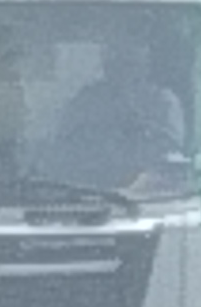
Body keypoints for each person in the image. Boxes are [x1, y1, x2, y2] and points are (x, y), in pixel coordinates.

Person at [39, 24, 192, 193]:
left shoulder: (163, 103)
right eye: (117, 63)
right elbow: (63, 152)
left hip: (149, 198)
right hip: (84, 192)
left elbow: (170, 159)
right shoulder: (86, 102)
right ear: (107, 66)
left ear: (145, 66)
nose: (124, 72)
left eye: (131, 64)